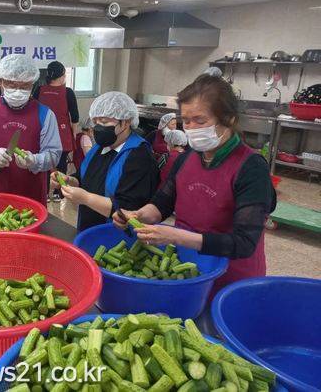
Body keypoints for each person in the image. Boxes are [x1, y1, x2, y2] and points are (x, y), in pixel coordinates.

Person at [113, 74, 276, 293]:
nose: (191, 128)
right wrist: (138, 215)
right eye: (186, 121)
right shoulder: (187, 158)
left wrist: (176, 236)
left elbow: (244, 243)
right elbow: (162, 204)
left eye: (200, 120)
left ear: (229, 119)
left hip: (232, 278)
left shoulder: (251, 167)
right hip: (188, 270)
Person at [51, 92, 159, 232]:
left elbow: (129, 209)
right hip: (89, 228)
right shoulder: (99, 148)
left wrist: (86, 198)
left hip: (118, 235)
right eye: (96, 122)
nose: (98, 128)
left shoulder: (139, 155)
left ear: (126, 122)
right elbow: (84, 179)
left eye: (105, 122)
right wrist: (68, 180)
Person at [0, 54, 62, 205]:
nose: (18, 91)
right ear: (1, 82)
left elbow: (53, 155)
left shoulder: (45, 114)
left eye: (24, 86)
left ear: (32, 84)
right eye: (12, 85)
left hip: (31, 193)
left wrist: (34, 160)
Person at [33, 61, 79, 195]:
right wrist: (73, 134)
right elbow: (75, 117)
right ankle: (60, 193)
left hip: (41, 134)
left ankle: (44, 193)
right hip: (62, 135)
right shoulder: (68, 92)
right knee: (61, 165)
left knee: (43, 164)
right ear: (62, 75)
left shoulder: (39, 90)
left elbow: (32, 111)